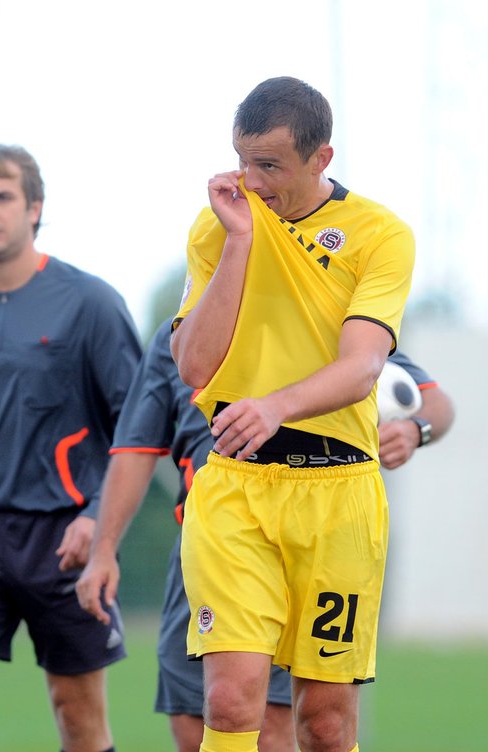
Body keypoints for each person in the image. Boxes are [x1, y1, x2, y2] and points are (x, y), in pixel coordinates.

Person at [169, 77, 415, 752]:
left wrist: (276, 406)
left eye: (269, 166)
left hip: (340, 496)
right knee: (229, 699)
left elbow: (363, 367)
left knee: (326, 723)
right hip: (236, 489)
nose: (250, 179)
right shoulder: (220, 224)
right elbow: (193, 366)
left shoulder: (380, 234)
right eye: (242, 159)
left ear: (321, 159)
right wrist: (242, 242)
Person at [76, 317, 454, 752]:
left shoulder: (327, 319)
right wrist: (103, 551)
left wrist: (414, 429)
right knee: (194, 724)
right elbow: (135, 449)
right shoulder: (182, 334)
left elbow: (436, 403)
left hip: (302, 547)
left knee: (282, 728)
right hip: (208, 550)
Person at [0, 144, 141, 752]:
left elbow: (139, 428)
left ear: (34, 207)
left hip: (65, 542)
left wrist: (98, 518)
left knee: (78, 717)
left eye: (2, 197)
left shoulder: (91, 303)